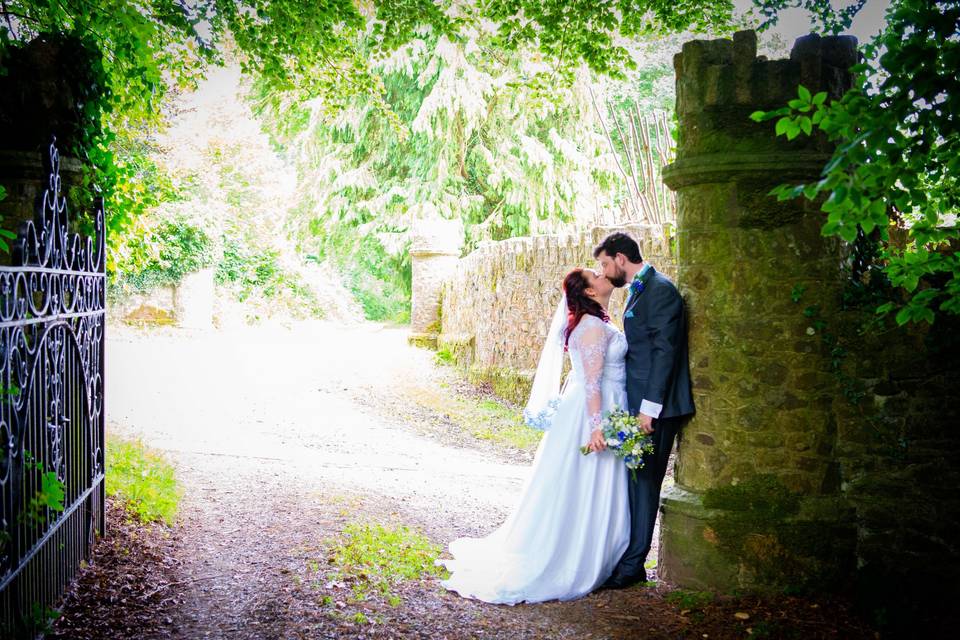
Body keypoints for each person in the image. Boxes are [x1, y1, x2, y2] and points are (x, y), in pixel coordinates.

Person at [439, 268, 630, 604]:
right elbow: (591, 384)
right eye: (595, 276)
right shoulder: (591, 328)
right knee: (582, 481)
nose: (603, 276)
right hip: (591, 413)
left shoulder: (596, 322)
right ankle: (573, 554)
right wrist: (598, 427)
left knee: (583, 481)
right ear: (587, 292)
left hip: (596, 406)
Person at [592, 231, 694, 589]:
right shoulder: (639, 289)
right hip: (640, 404)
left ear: (621, 258)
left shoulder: (661, 291)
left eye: (605, 263)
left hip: (658, 409)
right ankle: (629, 557)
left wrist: (648, 411)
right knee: (636, 480)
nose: (603, 271)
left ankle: (634, 565)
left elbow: (665, 354)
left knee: (647, 481)